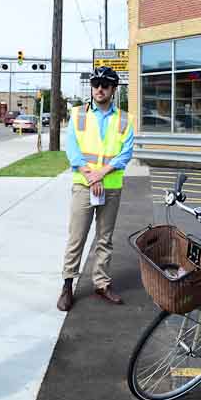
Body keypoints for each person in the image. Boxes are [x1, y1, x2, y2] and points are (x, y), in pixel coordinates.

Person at [57, 66, 134, 311]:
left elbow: (126, 153)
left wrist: (102, 174)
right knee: (76, 237)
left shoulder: (124, 119)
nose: (99, 89)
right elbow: (73, 151)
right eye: (96, 84)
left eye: (105, 85)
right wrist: (92, 176)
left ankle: (101, 283)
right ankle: (67, 284)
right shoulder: (77, 114)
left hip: (111, 186)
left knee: (105, 238)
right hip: (84, 186)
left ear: (113, 89)